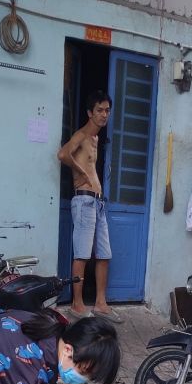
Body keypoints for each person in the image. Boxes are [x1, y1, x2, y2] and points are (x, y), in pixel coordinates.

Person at [57, 90, 123, 321]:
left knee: (104, 254)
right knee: (82, 254)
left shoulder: (95, 139)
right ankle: (77, 304)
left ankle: (101, 304)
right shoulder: (83, 135)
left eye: (107, 110)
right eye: (99, 110)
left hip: (98, 203)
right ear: (89, 113)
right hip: (84, 201)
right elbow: (63, 154)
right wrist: (82, 172)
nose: (104, 115)